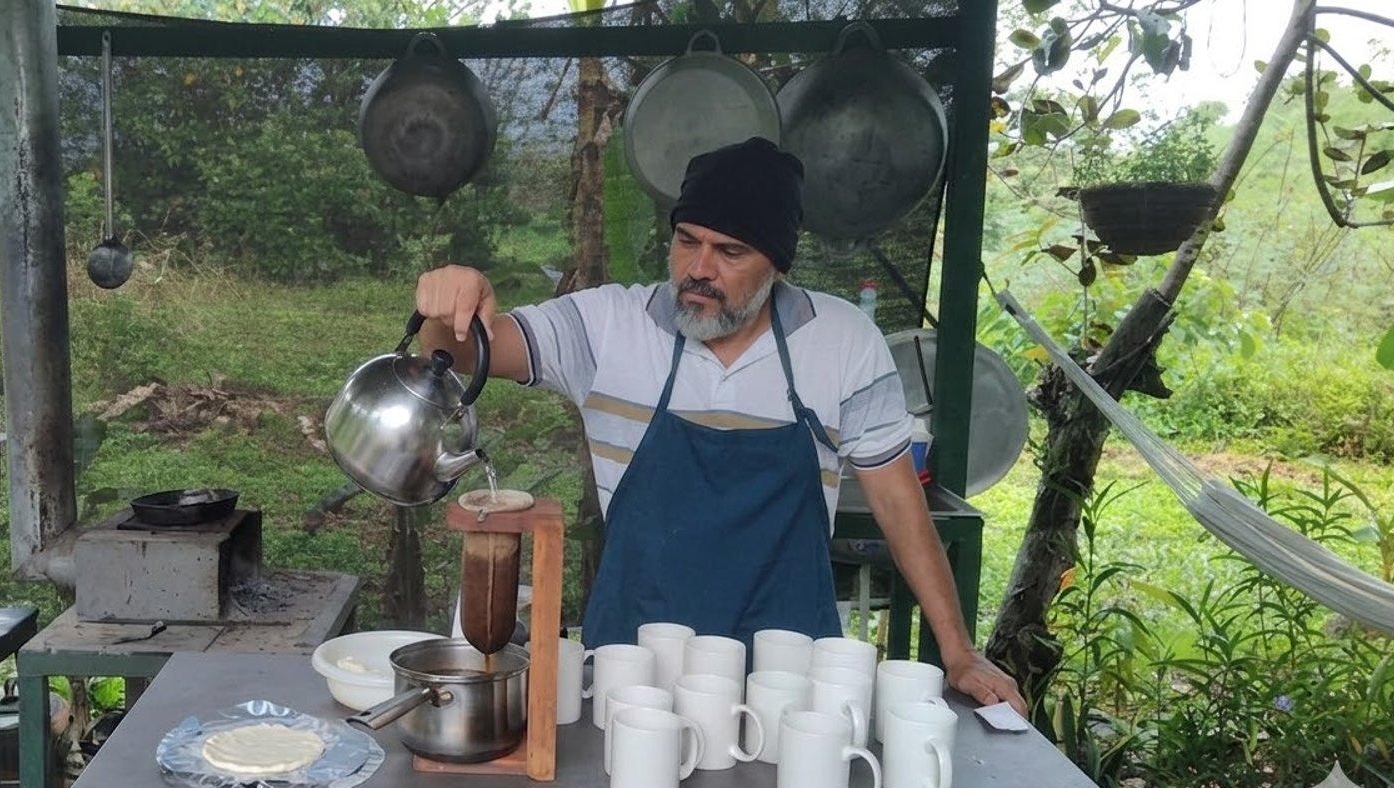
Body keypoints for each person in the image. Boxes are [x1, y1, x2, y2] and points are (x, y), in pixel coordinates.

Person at [413, 137, 1026, 713]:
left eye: (730, 251)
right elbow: (465, 355)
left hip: (790, 689)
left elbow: (898, 503)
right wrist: (447, 308)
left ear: (778, 266)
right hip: (633, 681)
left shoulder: (843, 343)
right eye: (687, 240)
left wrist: (960, 651)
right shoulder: (607, 328)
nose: (699, 268)